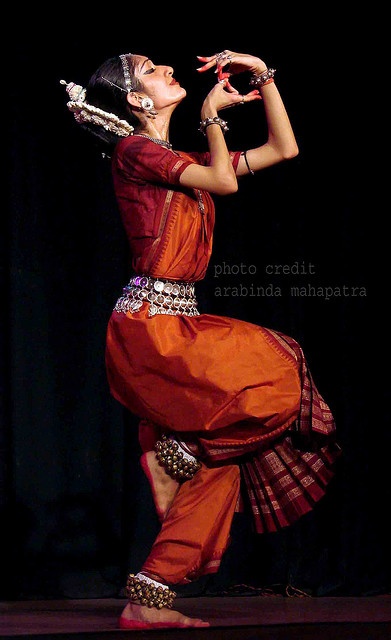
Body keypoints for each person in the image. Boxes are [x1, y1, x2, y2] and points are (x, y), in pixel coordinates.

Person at [60, 49, 341, 630]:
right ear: (137, 100)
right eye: (150, 69)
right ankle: (177, 455)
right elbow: (221, 181)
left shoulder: (175, 158)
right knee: (277, 371)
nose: (167, 69)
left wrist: (263, 73)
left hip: (175, 325)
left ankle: (150, 595)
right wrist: (213, 115)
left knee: (220, 471)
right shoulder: (135, 151)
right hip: (149, 332)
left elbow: (283, 150)